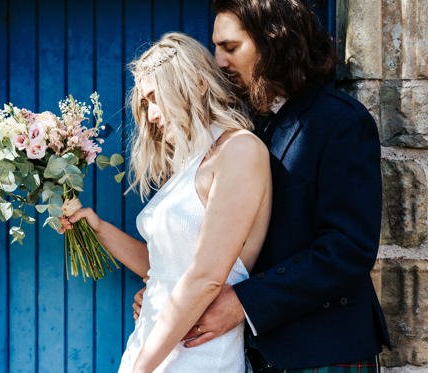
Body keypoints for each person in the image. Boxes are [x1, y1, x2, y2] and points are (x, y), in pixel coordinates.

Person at [134, 0, 389, 372]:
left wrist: (245, 302)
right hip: (250, 355)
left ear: (274, 43)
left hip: (323, 351)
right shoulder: (242, 129)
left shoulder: (339, 122)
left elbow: (348, 248)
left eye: (231, 48)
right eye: (217, 47)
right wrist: (168, 298)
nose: (219, 60)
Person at [61, 32, 272, 372]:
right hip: (153, 344)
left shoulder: (240, 151)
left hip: (199, 354)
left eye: (155, 98)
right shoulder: (190, 164)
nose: (152, 115)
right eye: (145, 104)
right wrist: (98, 228)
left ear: (199, 85)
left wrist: (142, 367)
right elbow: (164, 270)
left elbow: (206, 278)